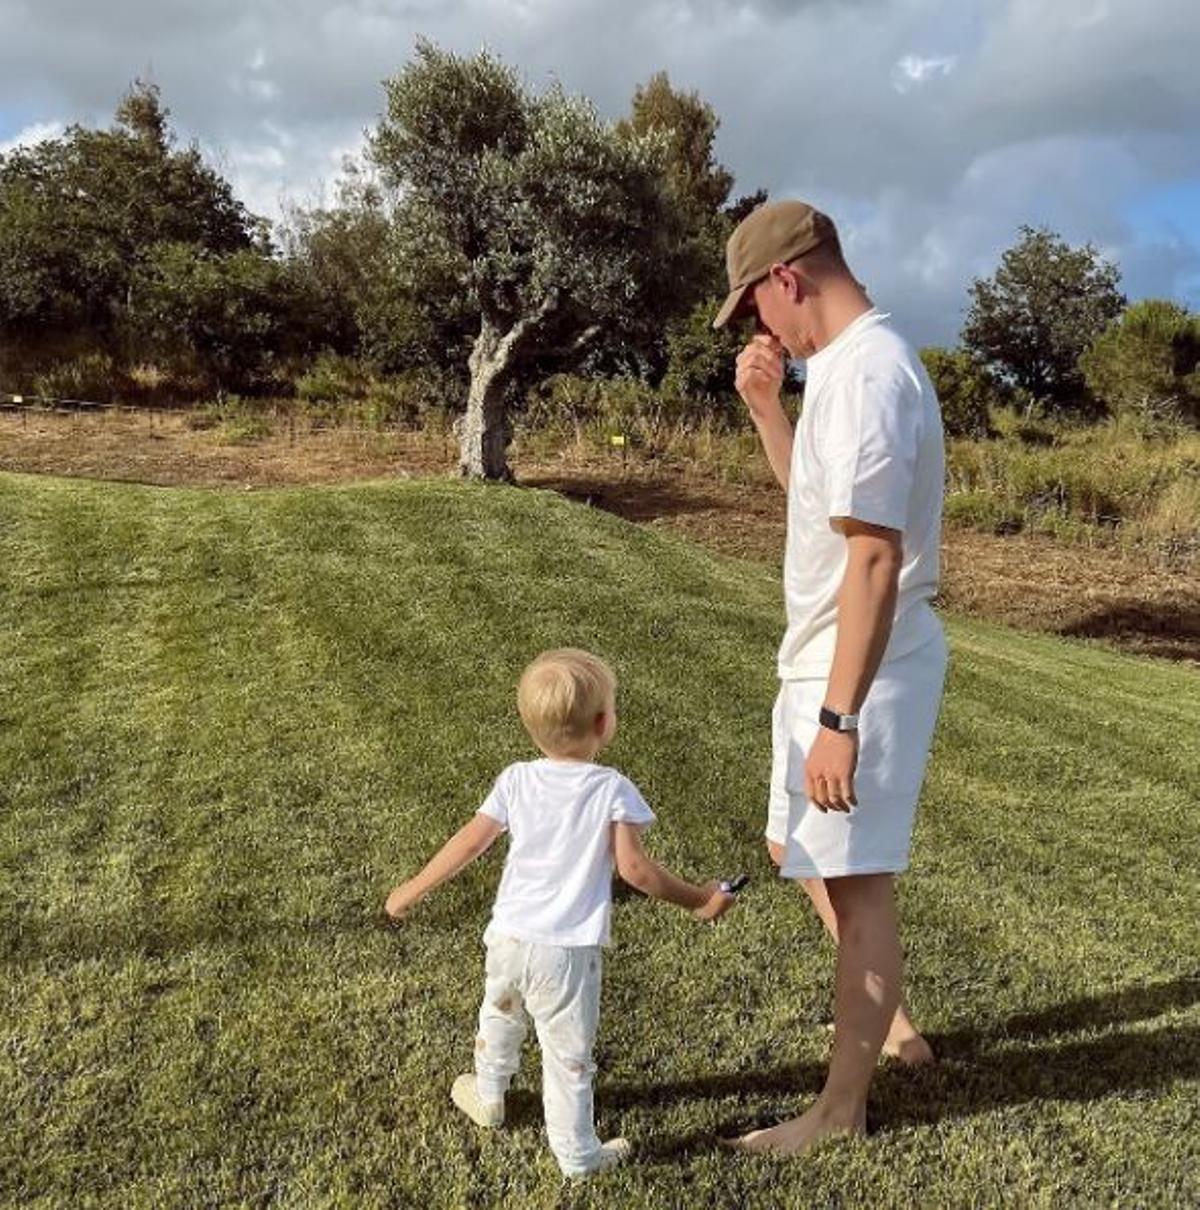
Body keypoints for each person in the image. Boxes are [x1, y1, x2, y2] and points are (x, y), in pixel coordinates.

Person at [712, 200, 948, 1154]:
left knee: (856, 887)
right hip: (819, 656)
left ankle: (839, 1111)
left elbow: (876, 561)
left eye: (758, 310)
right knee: (790, 849)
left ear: (788, 279)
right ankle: (886, 1025)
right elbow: (819, 508)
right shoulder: (838, 378)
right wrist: (769, 411)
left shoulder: (870, 377)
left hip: (862, 669)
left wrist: (839, 717)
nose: (765, 332)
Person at [383, 647, 737, 1177]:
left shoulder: (516, 779)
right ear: (604, 723)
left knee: (499, 1015)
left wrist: (408, 891)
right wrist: (701, 899)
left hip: (507, 938)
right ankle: (577, 1155)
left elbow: (470, 843)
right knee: (568, 1054)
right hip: (565, 954)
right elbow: (635, 872)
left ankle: (489, 1095)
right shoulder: (611, 789)